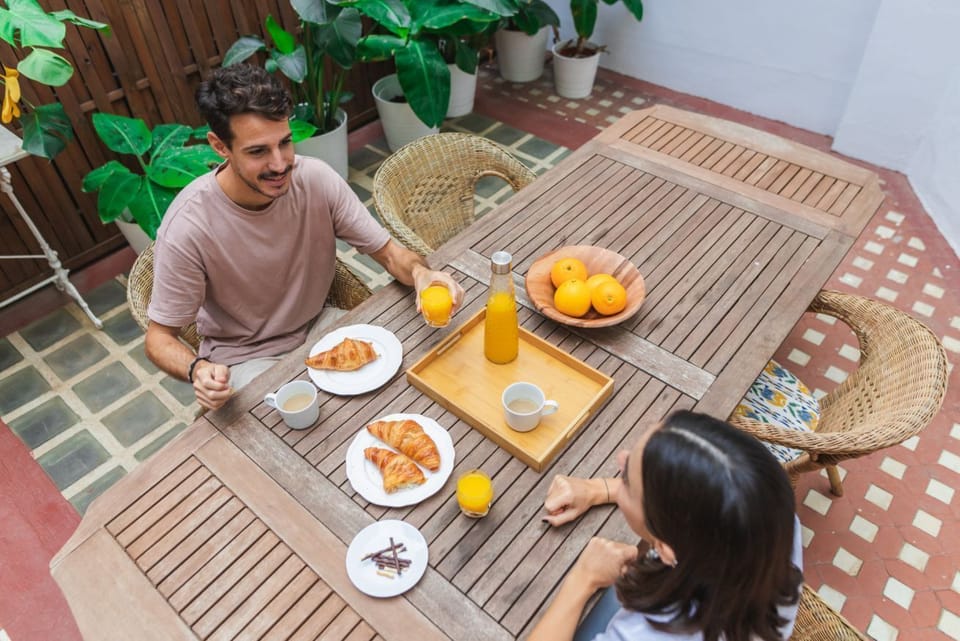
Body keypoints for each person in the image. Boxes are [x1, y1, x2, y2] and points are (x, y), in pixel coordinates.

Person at [145, 64, 464, 410]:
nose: (281, 164)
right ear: (220, 146)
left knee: (410, 385)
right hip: (245, 356)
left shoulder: (316, 180)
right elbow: (159, 337)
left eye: (285, 142)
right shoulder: (188, 226)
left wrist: (422, 274)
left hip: (320, 325)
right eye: (258, 151)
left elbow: (388, 254)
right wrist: (197, 369)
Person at [530, 410, 803, 641]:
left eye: (626, 477)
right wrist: (597, 489)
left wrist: (584, 578)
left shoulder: (643, 633)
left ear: (666, 550)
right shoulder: (772, 521)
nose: (621, 457)